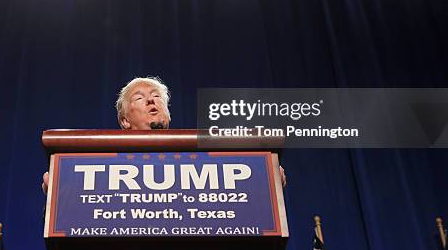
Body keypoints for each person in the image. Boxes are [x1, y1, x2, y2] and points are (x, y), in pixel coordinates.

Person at [42, 76, 286, 193]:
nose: (151, 99)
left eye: (157, 96)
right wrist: (60, 194)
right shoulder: (102, 162)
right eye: (139, 98)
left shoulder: (205, 158)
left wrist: (263, 182)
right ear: (125, 120)